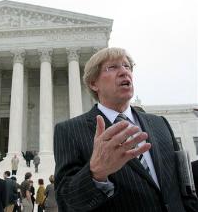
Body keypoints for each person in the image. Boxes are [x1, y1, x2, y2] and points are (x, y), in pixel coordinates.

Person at [54, 47, 198, 212]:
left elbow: (184, 186)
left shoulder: (160, 124)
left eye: (127, 66)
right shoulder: (70, 131)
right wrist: (96, 174)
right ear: (94, 83)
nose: (124, 71)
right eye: (113, 67)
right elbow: (67, 202)